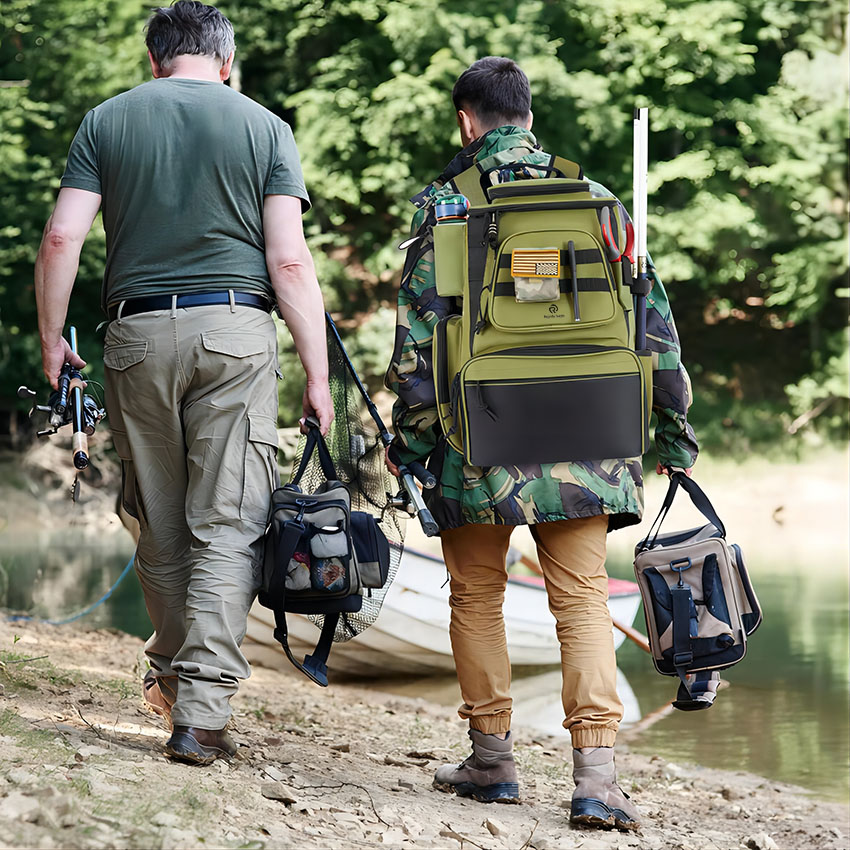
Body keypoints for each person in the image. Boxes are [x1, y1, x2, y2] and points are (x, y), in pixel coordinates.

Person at [385, 57, 698, 831]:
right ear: (528, 114)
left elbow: (417, 348)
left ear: (468, 121)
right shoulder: (598, 204)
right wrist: (672, 432)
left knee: (477, 597)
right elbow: (653, 328)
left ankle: (492, 765)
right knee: (583, 603)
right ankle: (596, 780)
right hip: (589, 438)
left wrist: (412, 443)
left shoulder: (444, 208)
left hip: (477, 438)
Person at [34, 0, 332, 766]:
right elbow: (290, 262)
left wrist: (49, 337)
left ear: (152, 57)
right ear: (226, 62)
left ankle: (169, 679)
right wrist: (318, 375)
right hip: (235, 334)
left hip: (135, 335)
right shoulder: (266, 127)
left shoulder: (107, 120)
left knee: (158, 517)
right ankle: (199, 712)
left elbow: (63, 235)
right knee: (228, 523)